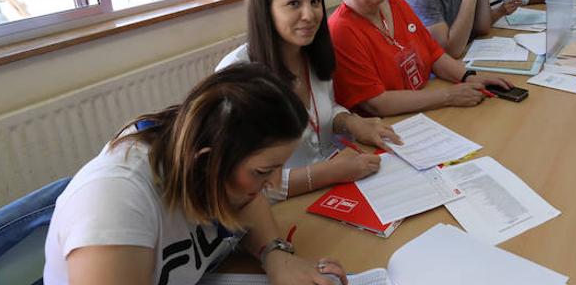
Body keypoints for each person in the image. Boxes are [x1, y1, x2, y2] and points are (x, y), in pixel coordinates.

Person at [44, 63, 348, 285]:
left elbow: (249, 199)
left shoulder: (199, 146)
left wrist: (275, 253)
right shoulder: (115, 206)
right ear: (207, 161)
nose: (272, 182)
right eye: (263, 171)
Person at [216, 0, 401, 198]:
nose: (309, 15)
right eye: (294, 3)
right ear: (266, 9)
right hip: (281, 207)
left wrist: (350, 122)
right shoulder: (236, 73)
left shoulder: (312, 52)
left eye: (315, 2)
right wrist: (330, 172)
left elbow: (326, 107)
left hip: (331, 187)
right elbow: (241, 180)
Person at [327, 0, 512, 117]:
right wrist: (448, 96)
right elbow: (376, 103)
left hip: (424, 107)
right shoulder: (341, 30)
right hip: (388, 124)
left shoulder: (397, 5)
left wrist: (469, 77)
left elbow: (433, 54)